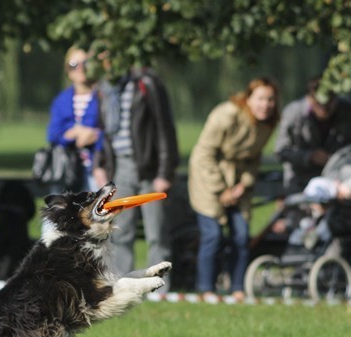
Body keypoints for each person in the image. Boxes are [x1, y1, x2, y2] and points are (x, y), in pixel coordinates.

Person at [188, 77, 281, 300]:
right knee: (213, 234)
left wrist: (243, 185)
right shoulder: (226, 115)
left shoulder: (267, 123)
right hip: (208, 178)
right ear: (248, 98)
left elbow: (254, 158)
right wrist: (221, 190)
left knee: (241, 234)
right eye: (260, 98)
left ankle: (237, 287)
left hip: (239, 183)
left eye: (270, 99)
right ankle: (206, 289)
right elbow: (204, 154)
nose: (265, 104)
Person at [95, 65, 179, 289]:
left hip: (149, 168)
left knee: (156, 232)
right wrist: (100, 163)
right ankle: (124, 285)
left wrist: (165, 171)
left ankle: (160, 287)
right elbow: (103, 132)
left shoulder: (146, 83)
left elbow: (165, 128)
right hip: (120, 167)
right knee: (121, 231)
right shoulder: (106, 89)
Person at [274, 77, 351, 195]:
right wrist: (309, 156)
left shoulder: (350, 112)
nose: (324, 108)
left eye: (329, 102)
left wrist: (338, 159)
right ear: (309, 98)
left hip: (339, 181)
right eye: (319, 103)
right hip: (300, 182)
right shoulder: (293, 113)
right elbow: (281, 151)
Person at [46, 46, 103, 193]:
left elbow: (112, 131)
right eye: (73, 65)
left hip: (96, 168)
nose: (80, 68)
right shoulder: (61, 101)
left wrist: (94, 135)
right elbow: (53, 135)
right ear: (67, 70)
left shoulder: (102, 98)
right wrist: (74, 133)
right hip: (67, 170)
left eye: (85, 63)